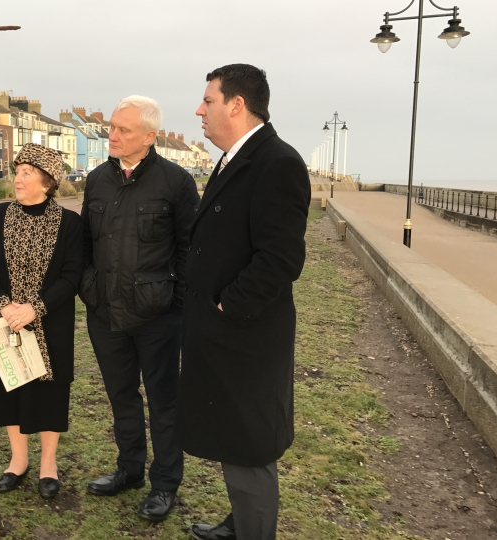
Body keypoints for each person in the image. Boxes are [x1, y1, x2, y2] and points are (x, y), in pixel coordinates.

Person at [177, 64, 311, 540]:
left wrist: (227, 307)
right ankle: (240, 525)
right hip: (223, 337)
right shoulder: (236, 157)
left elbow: (280, 258)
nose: (199, 109)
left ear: (236, 104)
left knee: (248, 448)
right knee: (232, 441)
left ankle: (254, 533)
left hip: (245, 339)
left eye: (208, 100)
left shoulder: (277, 163)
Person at [80, 96, 199, 522]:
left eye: (123, 129)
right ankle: (129, 470)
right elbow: (87, 245)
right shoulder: (96, 181)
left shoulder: (176, 183)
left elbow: (189, 251)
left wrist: (178, 308)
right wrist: (88, 290)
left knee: (164, 403)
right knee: (121, 397)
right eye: (111, 127)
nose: (112, 135)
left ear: (149, 137)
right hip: (106, 314)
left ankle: (165, 483)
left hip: (158, 316)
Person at [0, 143, 83, 500]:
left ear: (47, 182)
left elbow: (72, 276)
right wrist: (4, 306)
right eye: (17, 171)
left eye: (26, 173)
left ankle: (48, 465)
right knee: (11, 391)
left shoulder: (69, 223)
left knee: (50, 396)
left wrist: (35, 308)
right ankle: (17, 462)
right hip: (7, 324)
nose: (17, 179)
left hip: (49, 323)